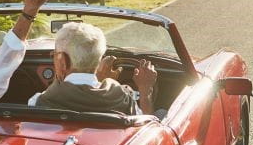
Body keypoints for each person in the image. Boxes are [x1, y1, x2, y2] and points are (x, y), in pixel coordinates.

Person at [28, 21, 157, 115]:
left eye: (54, 54)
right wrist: (145, 92)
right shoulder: (123, 98)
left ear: (62, 61)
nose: (53, 58)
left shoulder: (39, 102)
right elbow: (146, 127)